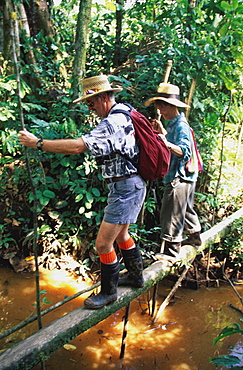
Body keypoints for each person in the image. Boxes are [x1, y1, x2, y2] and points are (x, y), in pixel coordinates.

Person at [19, 74, 146, 309]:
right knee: (121, 235)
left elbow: (79, 146)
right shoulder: (125, 111)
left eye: (91, 102)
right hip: (130, 184)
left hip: (126, 187)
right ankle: (137, 277)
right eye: (87, 104)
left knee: (102, 245)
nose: (90, 108)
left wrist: (38, 143)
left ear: (105, 97)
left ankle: (109, 292)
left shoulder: (113, 122)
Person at [144, 82, 201, 261]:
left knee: (171, 210)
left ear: (173, 106)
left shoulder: (180, 125)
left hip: (180, 174)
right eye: (159, 106)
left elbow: (184, 150)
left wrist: (164, 142)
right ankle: (195, 236)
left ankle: (171, 250)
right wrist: (163, 133)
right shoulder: (173, 123)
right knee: (185, 207)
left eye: (163, 106)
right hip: (187, 173)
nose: (161, 110)